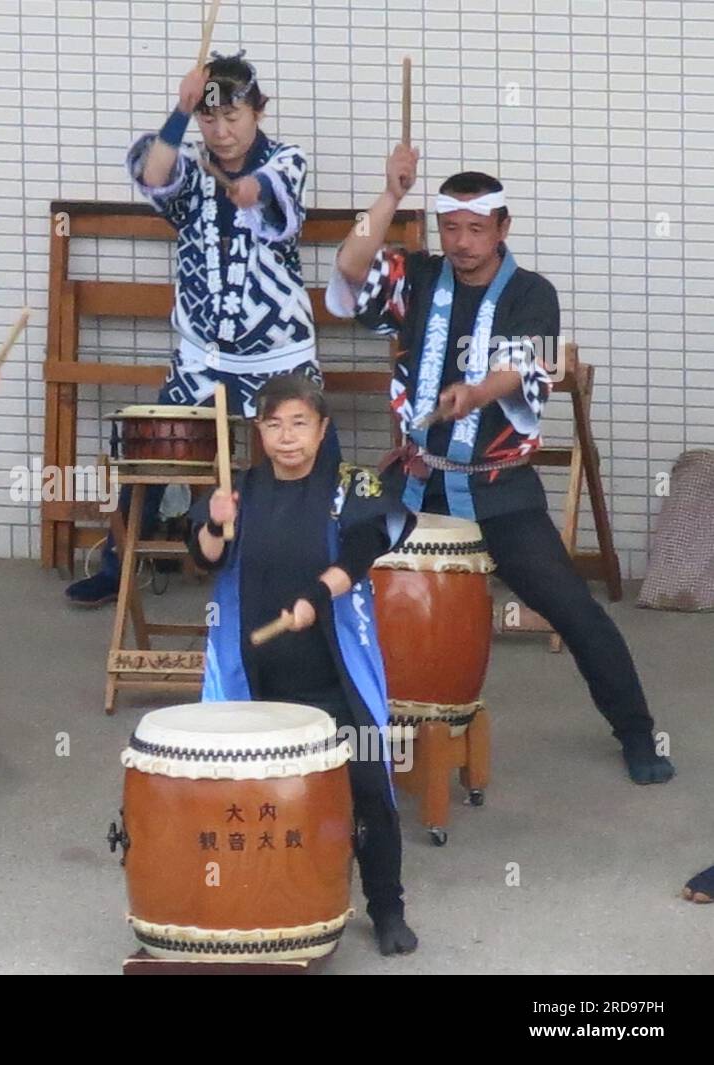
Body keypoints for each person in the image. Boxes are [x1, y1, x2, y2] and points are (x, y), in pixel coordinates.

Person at [325, 143, 674, 785]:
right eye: (451, 228)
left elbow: (524, 368)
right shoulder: (420, 276)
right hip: (417, 474)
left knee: (573, 608)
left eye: (476, 229)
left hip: (498, 486)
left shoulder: (534, 293)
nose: (461, 242)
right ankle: (337, 726)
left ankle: (636, 732)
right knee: (337, 565)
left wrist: (476, 393)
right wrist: (391, 194)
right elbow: (349, 270)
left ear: (503, 228)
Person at [67, 51, 320, 607]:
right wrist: (180, 113)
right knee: (150, 452)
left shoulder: (287, 161)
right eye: (210, 119)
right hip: (202, 355)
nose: (222, 131)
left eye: (233, 117)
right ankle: (120, 563)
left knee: (308, 455)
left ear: (259, 111)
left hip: (280, 358)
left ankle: (312, 565)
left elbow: (269, 190)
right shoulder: (190, 168)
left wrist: (248, 190)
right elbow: (152, 172)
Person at [187, 374, 418, 956]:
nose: (287, 437)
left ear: (322, 429)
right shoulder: (239, 491)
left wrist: (319, 593)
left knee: (368, 785)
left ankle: (387, 906)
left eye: (299, 423)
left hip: (333, 675)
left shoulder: (351, 485)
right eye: (273, 424)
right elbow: (201, 557)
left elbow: (366, 547)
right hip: (256, 676)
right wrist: (214, 523)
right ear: (258, 432)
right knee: (247, 794)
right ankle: (258, 900)